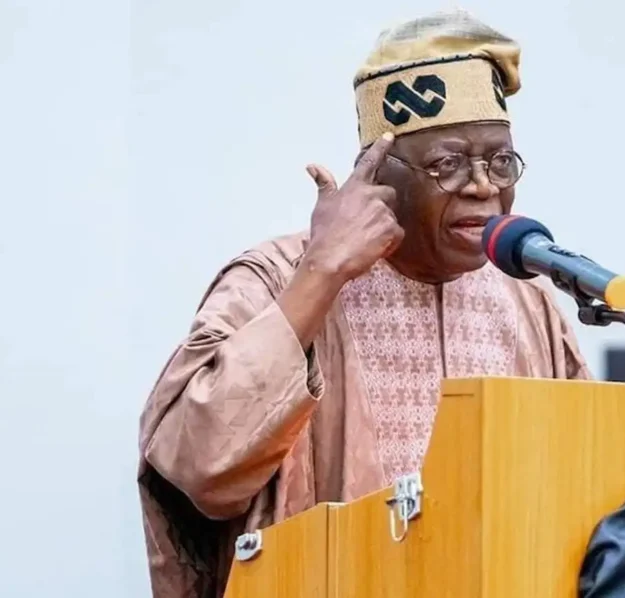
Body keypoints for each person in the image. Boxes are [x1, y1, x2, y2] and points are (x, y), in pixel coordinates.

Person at [138, 8, 591, 598]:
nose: (484, 185)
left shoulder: (528, 301)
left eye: (499, 162)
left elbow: (580, 489)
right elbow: (198, 468)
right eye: (449, 164)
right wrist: (322, 273)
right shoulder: (276, 278)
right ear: (377, 175)